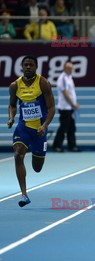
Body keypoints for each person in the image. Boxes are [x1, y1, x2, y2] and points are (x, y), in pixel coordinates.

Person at [7, 55, 55, 207]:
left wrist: (45, 125)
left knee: (37, 168)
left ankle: (38, 147)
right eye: (25, 65)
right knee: (17, 154)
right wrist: (11, 117)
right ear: (21, 67)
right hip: (23, 128)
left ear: (36, 67)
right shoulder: (15, 86)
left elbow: (51, 108)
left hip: (40, 130)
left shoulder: (43, 83)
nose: (28, 67)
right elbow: (13, 105)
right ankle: (24, 194)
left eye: (31, 65)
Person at [52, 61, 79, 152]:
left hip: (69, 107)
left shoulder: (69, 77)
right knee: (64, 127)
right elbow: (65, 93)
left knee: (71, 127)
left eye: (72, 68)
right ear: (65, 68)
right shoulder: (63, 78)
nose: (71, 70)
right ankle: (56, 146)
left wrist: (73, 104)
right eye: (69, 68)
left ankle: (72, 146)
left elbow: (71, 92)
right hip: (65, 108)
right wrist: (73, 103)